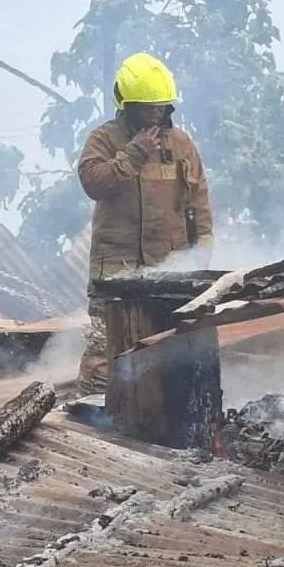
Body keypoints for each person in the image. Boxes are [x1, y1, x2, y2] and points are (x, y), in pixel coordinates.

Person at [76, 52, 214, 394]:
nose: (155, 113)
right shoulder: (104, 140)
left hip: (171, 268)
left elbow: (199, 200)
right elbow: (94, 183)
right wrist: (134, 153)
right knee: (103, 350)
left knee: (170, 345)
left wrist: (203, 250)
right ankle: (90, 420)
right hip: (115, 271)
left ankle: (159, 420)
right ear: (126, 103)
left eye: (161, 106)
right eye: (146, 106)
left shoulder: (181, 145)